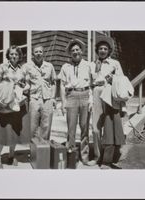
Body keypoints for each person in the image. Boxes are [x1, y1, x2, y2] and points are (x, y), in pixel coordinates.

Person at [0, 45, 31, 169]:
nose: (14, 56)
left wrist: (23, 87)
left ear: (19, 56)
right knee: (1, 131)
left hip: (18, 103)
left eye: (16, 54)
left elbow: (28, 85)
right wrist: (4, 93)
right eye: (12, 54)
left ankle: (11, 156)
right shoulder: (3, 67)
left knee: (15, 130)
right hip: (5, 103)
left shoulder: (23, 69)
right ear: (8, 55)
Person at [90, 36, 126, 169]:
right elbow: (89, 84)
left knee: (110, 127)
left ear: (109, 50)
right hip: (96, 94)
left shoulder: (114, 63)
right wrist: (90, 99)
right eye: (100, 48)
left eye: (105, 48)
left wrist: (112, 79)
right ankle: (97, 156)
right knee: (95, 128)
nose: (103, 51)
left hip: (109, 94)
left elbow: (121, 81)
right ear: (97, 50)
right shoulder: (92, 64)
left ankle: (107, 158)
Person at [59, 38, 96, 166]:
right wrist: (63, 102)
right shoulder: (65, 67)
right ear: (70, 52)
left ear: (81, 51)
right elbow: (62, 86)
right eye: (73, 50)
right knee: (71, 128)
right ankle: (71, 157)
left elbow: (92, 84)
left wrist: (91, 100)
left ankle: (84, 157)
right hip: (71, 96)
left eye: (77, 49)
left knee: (85, 128)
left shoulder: (88, 65)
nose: (75, 52)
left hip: (85, 95)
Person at [23, 45, 57, 140]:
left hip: (47, 99)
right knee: (32, 127)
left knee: (46, 127)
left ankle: (44, 150)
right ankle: (34, 151)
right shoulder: (27, 66)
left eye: (40, 52)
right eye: (36, 52)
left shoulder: (49, 66)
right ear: (33, 54)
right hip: (34, 99)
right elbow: (25, 82)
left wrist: (53, 98)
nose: (38, 54)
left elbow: (54, 82)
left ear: (43, 53)